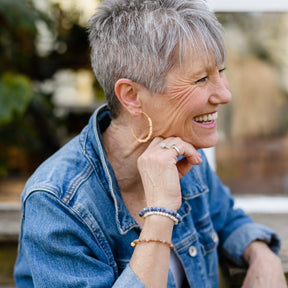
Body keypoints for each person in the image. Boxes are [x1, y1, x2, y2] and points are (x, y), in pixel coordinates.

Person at [14, 0, 287, 287]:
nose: (224, 93)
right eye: (201, 78)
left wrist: (261, 255)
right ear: (131, 96)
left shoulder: (183, 152)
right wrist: (161, 212)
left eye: (221, 71)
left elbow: (228, 220)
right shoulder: (56, 202)